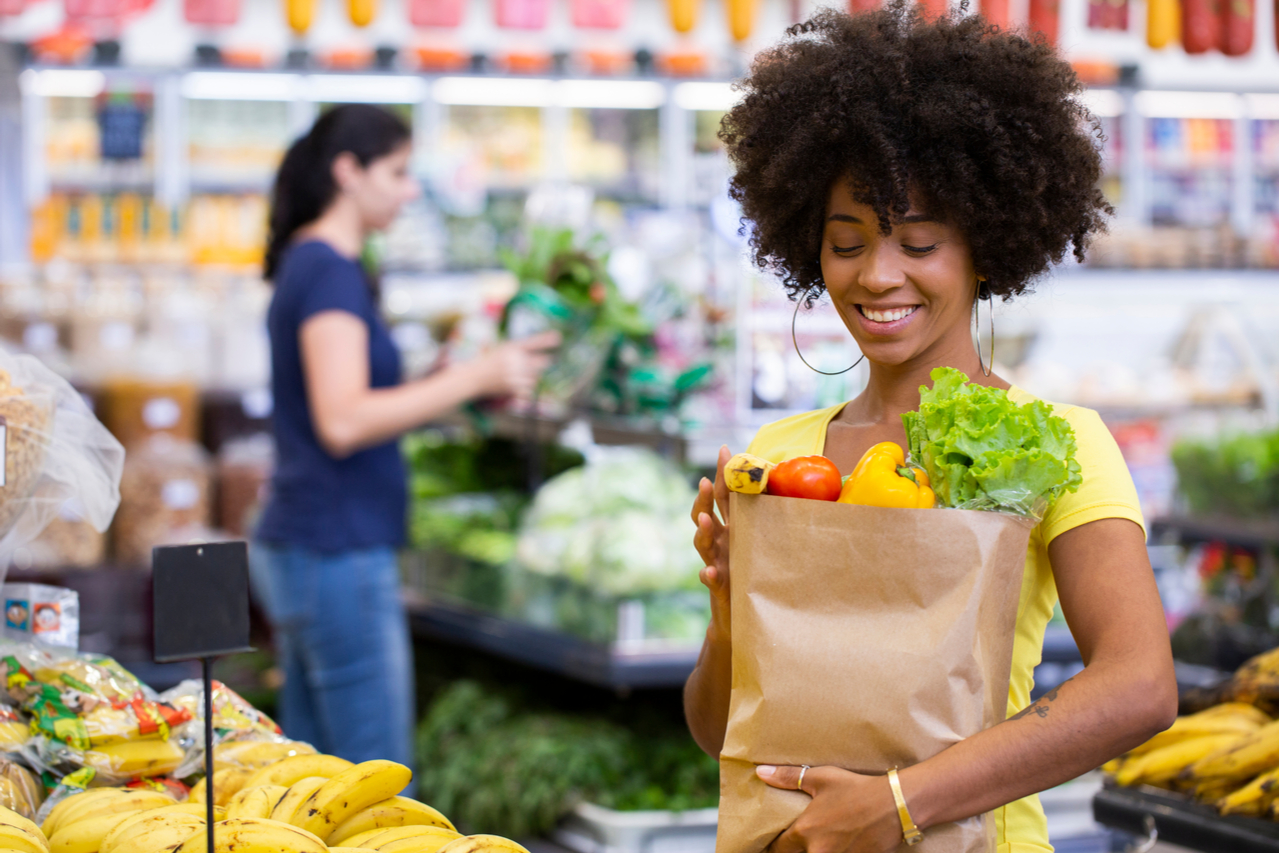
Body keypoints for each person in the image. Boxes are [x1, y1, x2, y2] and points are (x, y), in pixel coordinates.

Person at [684, 6, 1178, 852]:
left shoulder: (1056, 443)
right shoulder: (779, 458)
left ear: (984, 245)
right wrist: (732, 610)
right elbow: (716, 724)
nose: (879, 276)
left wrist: (899, 802)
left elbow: (1138, 686)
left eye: (918, 243)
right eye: (847, 243)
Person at [252, 104, 558, 768]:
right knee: (377, 783)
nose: (410, 188)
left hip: (308, 546)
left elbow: (343, 400)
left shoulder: (315, 264)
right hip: (336, 549)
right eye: (397, 171)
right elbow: (344, 419)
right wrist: (475, 376)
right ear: (348, 171)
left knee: (308, 783)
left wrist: (442, 376)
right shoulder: (329, 269)